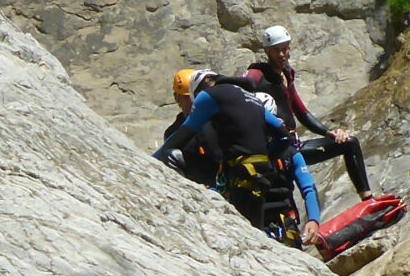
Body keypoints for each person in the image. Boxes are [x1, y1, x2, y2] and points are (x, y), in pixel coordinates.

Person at [154, 67, 322, 248]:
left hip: (247, 185)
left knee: (250, 241)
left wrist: (150, 160)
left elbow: (176, 141)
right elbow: (284, 136)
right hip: (257, 184)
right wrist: (267, 158)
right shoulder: (250, 101)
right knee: (255, 239)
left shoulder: (210, 99)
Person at [242, 23, 371, 197]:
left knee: (349, 143)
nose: (281, 54)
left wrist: (328, 132)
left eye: (285, 49)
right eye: (276, 50)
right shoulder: (257, 74)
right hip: (275, 149)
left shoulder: (286, 74)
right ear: (267, 51)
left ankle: (367, 199)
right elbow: (241, 97)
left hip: (293, 145)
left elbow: (301, 112)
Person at [160, 69, 223, 186]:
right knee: (170, 155)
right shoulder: (173, 131)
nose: (193, 101)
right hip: (200, 177)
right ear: (177, 98)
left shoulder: (218, 118)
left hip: (224, 171)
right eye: (188, 97)